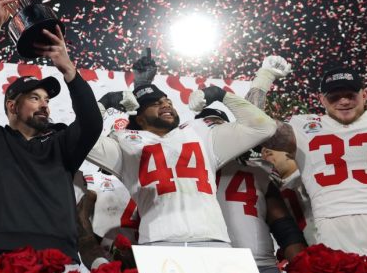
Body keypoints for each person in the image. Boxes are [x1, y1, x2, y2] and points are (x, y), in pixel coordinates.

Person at [0, 0, 102, 263]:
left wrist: (69, 69)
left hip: (59, 258)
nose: (44, 104)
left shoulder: (61, 146)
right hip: (2, 258)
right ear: (12, 105)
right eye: (35, 98)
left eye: (47, 99)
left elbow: (91, 123)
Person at [262, 39, 367, 257]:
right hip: (336, 251)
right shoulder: (302, 128)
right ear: (322, 99)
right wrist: (263, 78)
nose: (343, 101)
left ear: (364, 95)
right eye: (334, 96)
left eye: (350, 94)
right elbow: (252, 131)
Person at [89, 75, 277, 247]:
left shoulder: (200, 132)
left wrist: (220, 95)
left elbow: (263, 128)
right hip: (157, 241)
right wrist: (105, 102)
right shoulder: (125, 141)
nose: (164, 104)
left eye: (166, 100)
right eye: (154, 103)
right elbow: (82, 141)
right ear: (139, 118)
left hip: (213, 239)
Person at [198, 108, 306, 273]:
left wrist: (305, 270)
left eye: (219, 129)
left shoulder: (259, 173)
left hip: (260, 267)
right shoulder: (183, 176)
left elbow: (284, 227)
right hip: (206, 266)